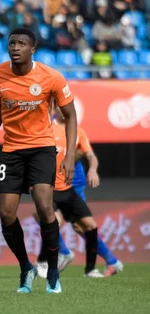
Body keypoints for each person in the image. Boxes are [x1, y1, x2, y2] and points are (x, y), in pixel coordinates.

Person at [0, 27, 77, 294]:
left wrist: (70, 156)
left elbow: (71, 115)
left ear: (33, 49)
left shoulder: (51, 77)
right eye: (11, 43)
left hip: (42, 148)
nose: (15, 47)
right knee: (6, 214)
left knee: (44, 208)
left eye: (21, 43)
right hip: (11, 151)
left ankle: (52, 272)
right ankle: (25, 268)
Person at [37, 106, 124, 277]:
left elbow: (90, 155)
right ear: (55, 109)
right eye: (62, 107)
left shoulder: (78, 131)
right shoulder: (46, 128)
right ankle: (112, 261)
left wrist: (92, 169)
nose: (67, 110)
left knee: (76, 225)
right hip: (53, 181)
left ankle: (68, 254)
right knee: (51, 219)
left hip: (74, 182)